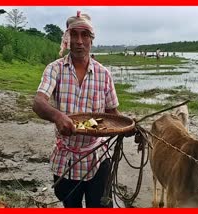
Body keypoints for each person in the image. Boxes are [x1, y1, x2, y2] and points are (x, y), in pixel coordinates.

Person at [32, 11, 119, 208]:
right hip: (66, 159)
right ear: (67, 38)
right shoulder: (54, 69)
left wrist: (132, 128)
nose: (79, 41)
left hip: (98, 157)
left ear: (91, 39)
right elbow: (38, 102)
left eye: (85, 35)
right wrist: (57, 116)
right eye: (74, 35)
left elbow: (113, 115)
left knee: (100, 206)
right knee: (70, 205)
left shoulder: (104, 74)